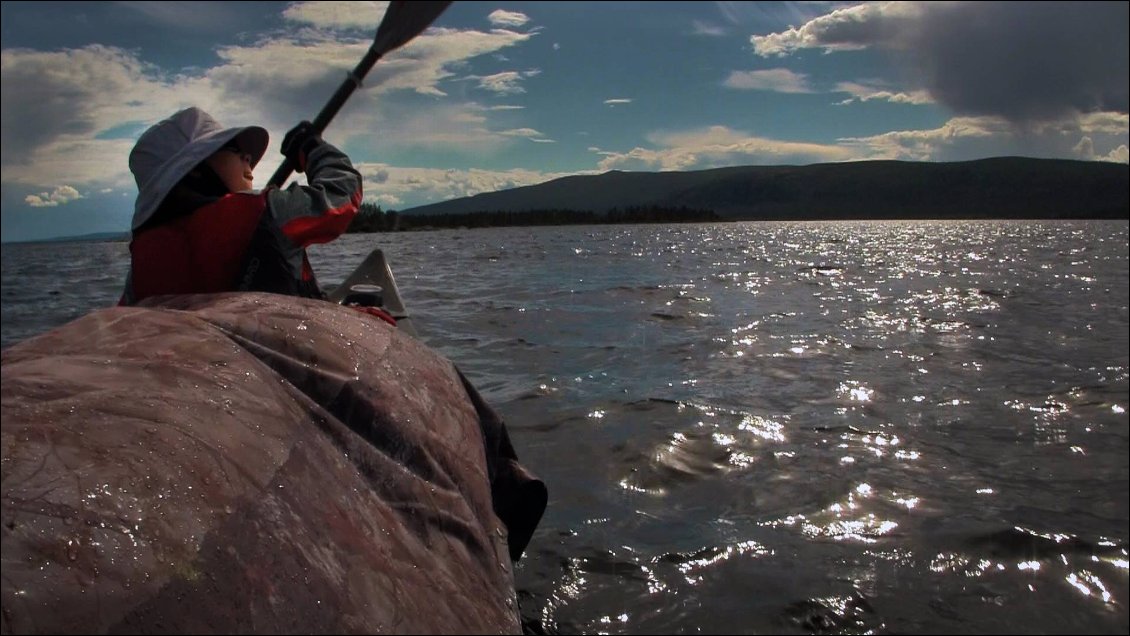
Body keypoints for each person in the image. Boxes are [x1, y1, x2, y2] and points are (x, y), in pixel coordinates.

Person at [119, 107, 362, 305]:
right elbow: (343, 193)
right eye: (234, 149)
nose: (247, 157)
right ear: (194, 169)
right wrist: (313, 150)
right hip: (287, 358)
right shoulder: (266, 214)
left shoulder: (140, 268)